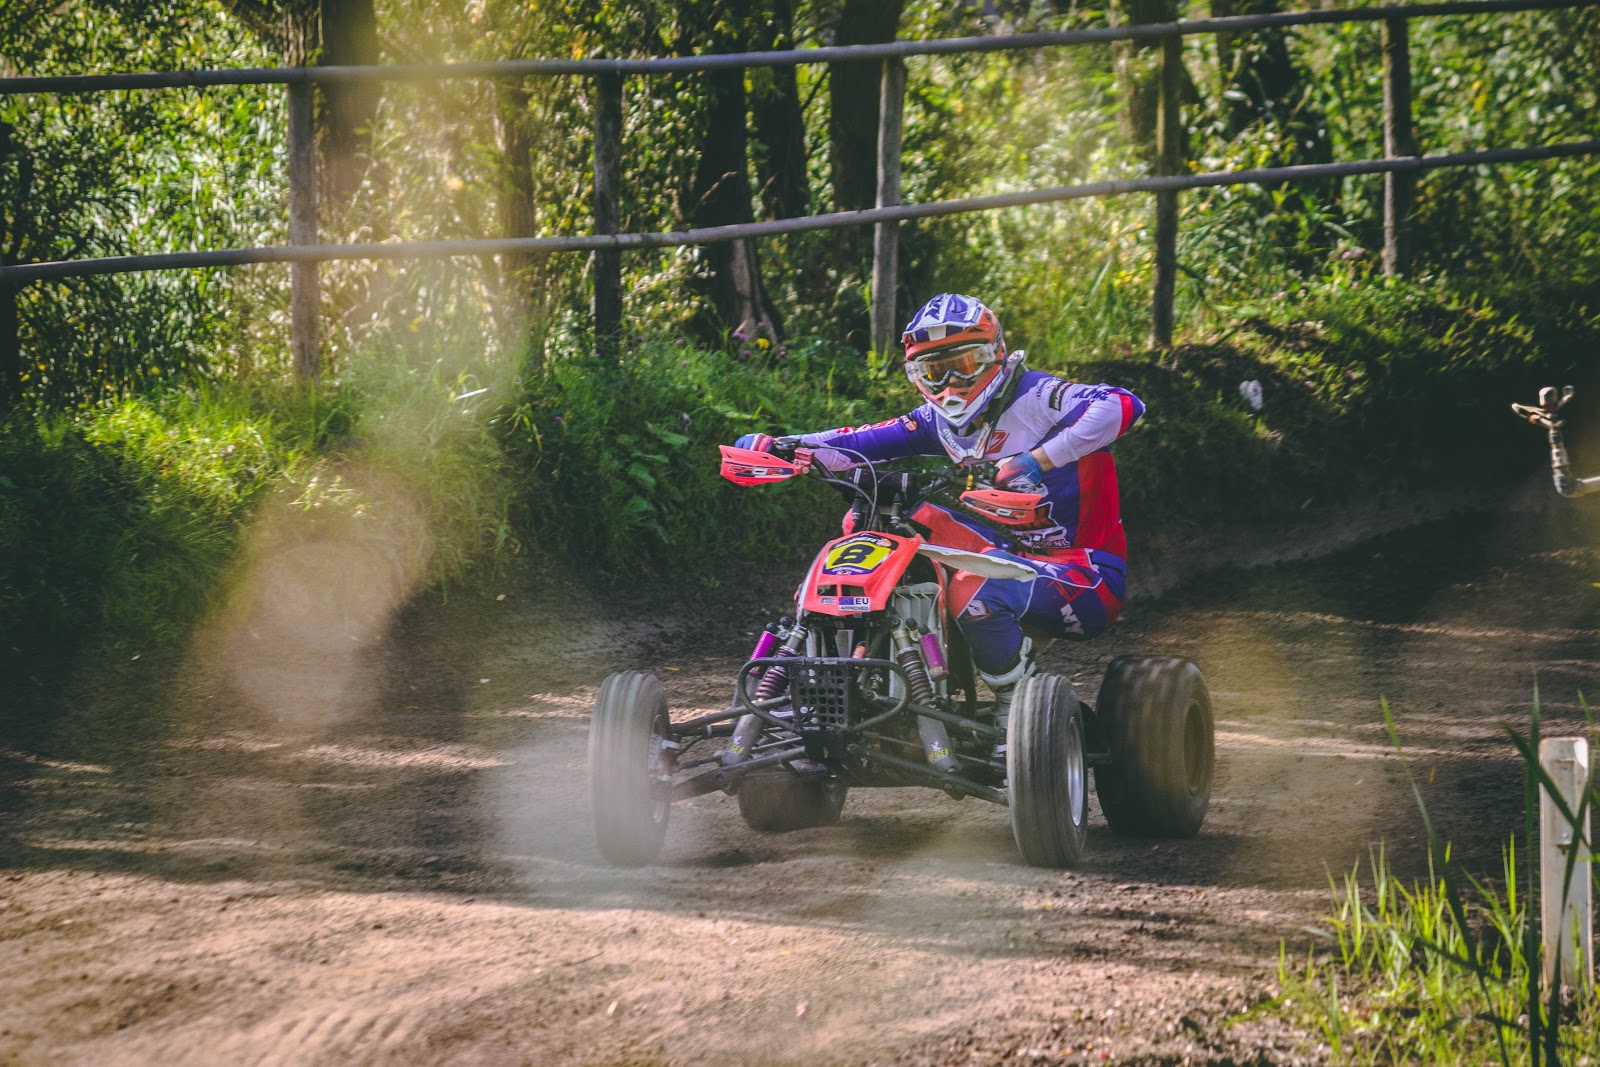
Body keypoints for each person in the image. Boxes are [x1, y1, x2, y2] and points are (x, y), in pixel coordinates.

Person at [733, 293, 1145, 738]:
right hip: (1005, 552)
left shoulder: (1037, 396)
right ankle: (860, 672)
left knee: (973, 590)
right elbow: (856, 442)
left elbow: (1123, 405)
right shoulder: (934, 421)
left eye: (964, 364)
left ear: (996, 356)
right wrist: (781, 444)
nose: (950, 381)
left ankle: (1015, 704)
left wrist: (1041, 459)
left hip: (1083, 571)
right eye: (933, 370)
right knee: (870, 526)